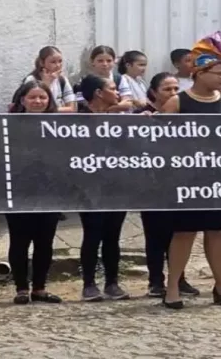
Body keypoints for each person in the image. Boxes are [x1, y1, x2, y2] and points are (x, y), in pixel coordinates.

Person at [160, 32, 221, 310]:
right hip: (187, 178)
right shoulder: (177, 102)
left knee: (217, 231)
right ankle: (172, 286)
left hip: (220, 177)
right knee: (184, 232)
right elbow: (159, 142)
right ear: (200, 72)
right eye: (219, 72)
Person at [136, 73, 199, 298]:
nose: (173, 94)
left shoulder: (184, 114)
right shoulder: (142, 115)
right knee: (155, 234)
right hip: (151, 184)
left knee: (179, 233)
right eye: (167, 89)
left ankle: (179, 278)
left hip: (181, 183)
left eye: (175, 89)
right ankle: (156, 281)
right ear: (153, 92)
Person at [5, 80, 63, 304]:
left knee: (44, 242)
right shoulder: (8, 124)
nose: (38, 101)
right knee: (19, 241)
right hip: (19, 191)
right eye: (33, 97)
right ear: (22, 100)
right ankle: (21, 288)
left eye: (42, 97)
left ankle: (39, 288)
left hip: (49, 192)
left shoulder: (60, 126)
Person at [76, 75, 131, 302]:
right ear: (98, 93)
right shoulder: (78, 120)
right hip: (89, 188)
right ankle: (89, 284)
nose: (117, 93)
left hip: (116, 185)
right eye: (112, 88)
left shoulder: (121, 119)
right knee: (92, 234)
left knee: (113, 236)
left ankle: (112, 282)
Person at [75, 46, 135, 111]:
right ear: (92, 61)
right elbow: (81, 101)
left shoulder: (119, 79)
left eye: (109, 61)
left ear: (114, 61)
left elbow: (127, 103)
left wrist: (108, 109)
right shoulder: (86, 80)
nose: (105, 64)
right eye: (100, 61)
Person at [24, 46, 76, 112]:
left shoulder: (62, 80)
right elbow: (36, 108)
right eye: (53, 62)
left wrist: (51, 110)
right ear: (42, 63)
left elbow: (71, 109)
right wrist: (46, 84)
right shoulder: (31, 80)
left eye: (60, 61)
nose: (58, 65)